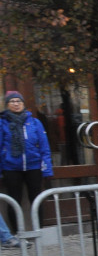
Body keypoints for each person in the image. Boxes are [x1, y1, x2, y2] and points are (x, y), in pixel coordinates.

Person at [0, 91, 53, 234]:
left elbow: (44, 147)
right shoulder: (2, 123)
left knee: (36, 199)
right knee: (13, 201)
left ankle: (39, 230)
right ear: (7, 105)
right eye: (12, 101)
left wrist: (47, 168)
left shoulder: (35, 122)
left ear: (23, 104)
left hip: (33, 166)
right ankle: (17, 233)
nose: (16, 104)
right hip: (11, 168)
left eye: (19, 101)